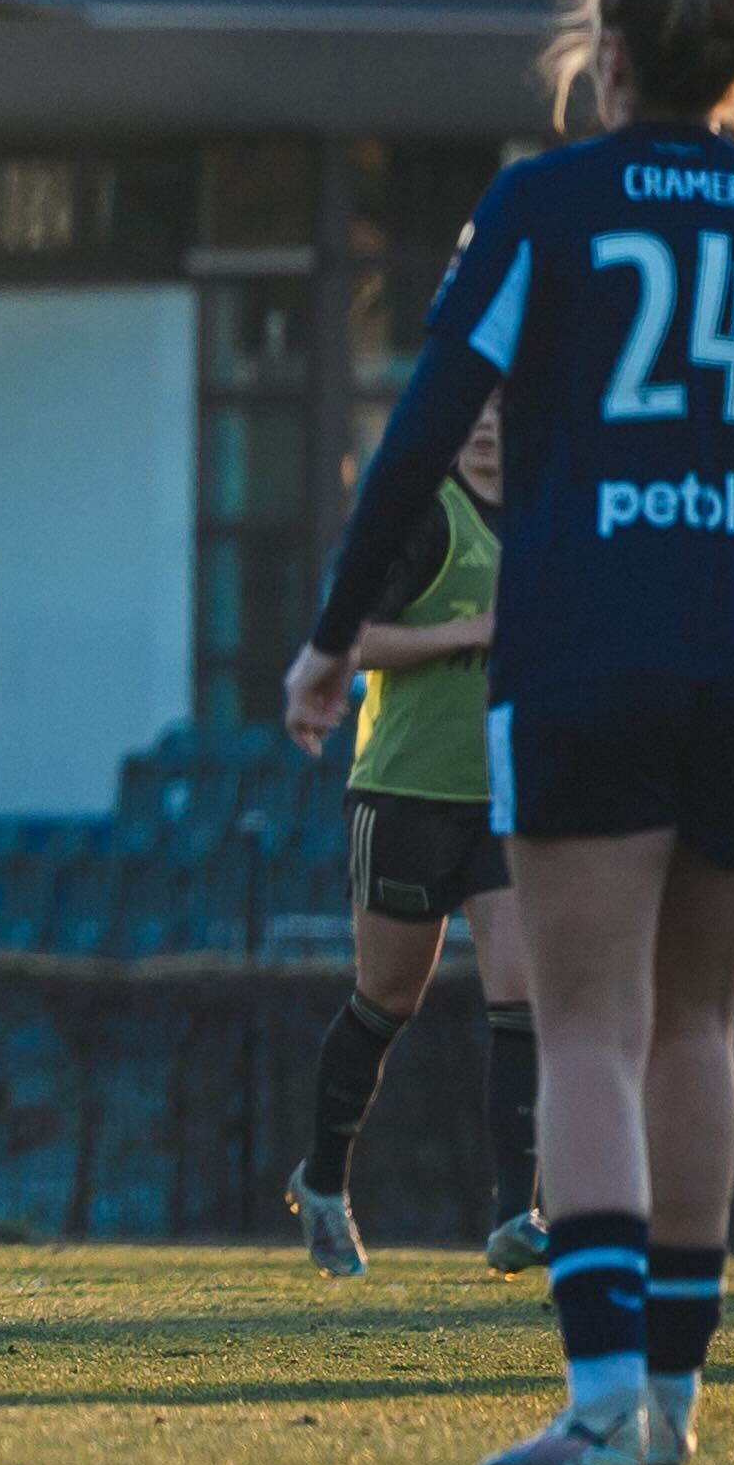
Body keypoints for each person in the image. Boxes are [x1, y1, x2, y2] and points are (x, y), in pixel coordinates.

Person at [286, 0, 734, 1465]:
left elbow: (423, 423)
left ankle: (598, 1401)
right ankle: (677, 1402)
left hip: (586, 648)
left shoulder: (544, 204)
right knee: (695, 1022)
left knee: (585, 1024)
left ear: (613, 53)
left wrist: (322, 635)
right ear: (731, 61)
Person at [287, 395, 541, 1281]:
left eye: (507, 409)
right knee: (390, 995)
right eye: (473, 406)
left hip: (504, 795)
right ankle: (322, 1182)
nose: (485, 424)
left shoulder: (553, 515)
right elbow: (352, 640)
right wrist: (472, 630)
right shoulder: (427, 514)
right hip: (403, 792)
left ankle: (517, 1212)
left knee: (521, 995)